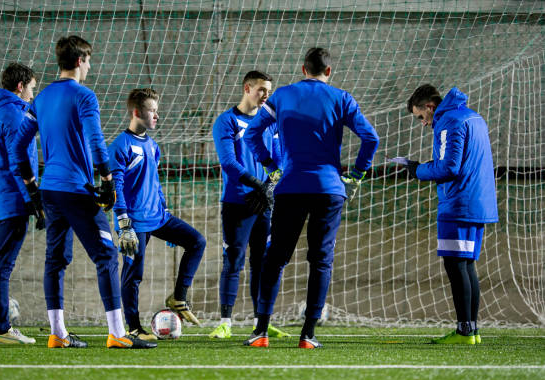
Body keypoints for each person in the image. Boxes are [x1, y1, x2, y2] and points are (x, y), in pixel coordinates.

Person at [12, 36, 156, 349]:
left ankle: (58, 334)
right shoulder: (85, 96)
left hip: (50, 190)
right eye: (89, 61)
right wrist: (106, 178)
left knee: (56, 260)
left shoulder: (41, 98)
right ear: (80, 61)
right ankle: (118, 333)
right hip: (76, 191)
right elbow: (95, 141)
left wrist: (31, 184)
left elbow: (19, 145)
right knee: (106, 256)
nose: (89, 66)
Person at [242, 47, 379, 348]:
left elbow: (251, 135)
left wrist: (272, 166)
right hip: (329, 190)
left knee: (275, 259)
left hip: (290, 186)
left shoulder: (281, 96)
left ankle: (261, 332)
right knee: (320, 260)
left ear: (303, 69)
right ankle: (308, 335)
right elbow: (371, 138)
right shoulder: (342, 98)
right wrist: (357, 174)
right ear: (328, 72)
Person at [108, 88, 206, 338]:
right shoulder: (120, 146)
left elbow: (154, 182)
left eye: (156, 111)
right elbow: (115, 186)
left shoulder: (152, 146)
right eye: (152, 110)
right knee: (134, 274)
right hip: (133, 221)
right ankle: (134, 328)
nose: (157, 115)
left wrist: (164, 208)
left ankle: (178, 298)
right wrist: (123, 222)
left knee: (197, 241)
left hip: (158, 216)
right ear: (136, 112)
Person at [405, 84, 498, 345]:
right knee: (466, 264)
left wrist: (418, 170)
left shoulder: (448, 122)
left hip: (459, 202)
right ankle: (472, 330)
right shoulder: (473, 116)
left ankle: (464, 331)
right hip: (477, 201)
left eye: (421, 117)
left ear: (430, 107)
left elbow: (449, 167)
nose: (423, 124)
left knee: (456, 265)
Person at [209, 70, 289, 339]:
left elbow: (279, 161)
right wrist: (257, 184)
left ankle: (260, 323)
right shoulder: (227, 121)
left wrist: (268, 186)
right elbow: (229, 163)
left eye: (269, 90)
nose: (266, 95)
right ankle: (225, 323)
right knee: (233, 260)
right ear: (247, 88)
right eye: (262, 90)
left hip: (264, 201)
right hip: (237, 201)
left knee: (262, 263)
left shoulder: (272, 123)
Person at [0, 62, 42, 345]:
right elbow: (20, 164)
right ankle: (1, 329)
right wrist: (33, 200)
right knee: (2, 267)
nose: (32, 94)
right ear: (20, 87)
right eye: (31, 88)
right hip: (13, 201)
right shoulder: (16, 116)